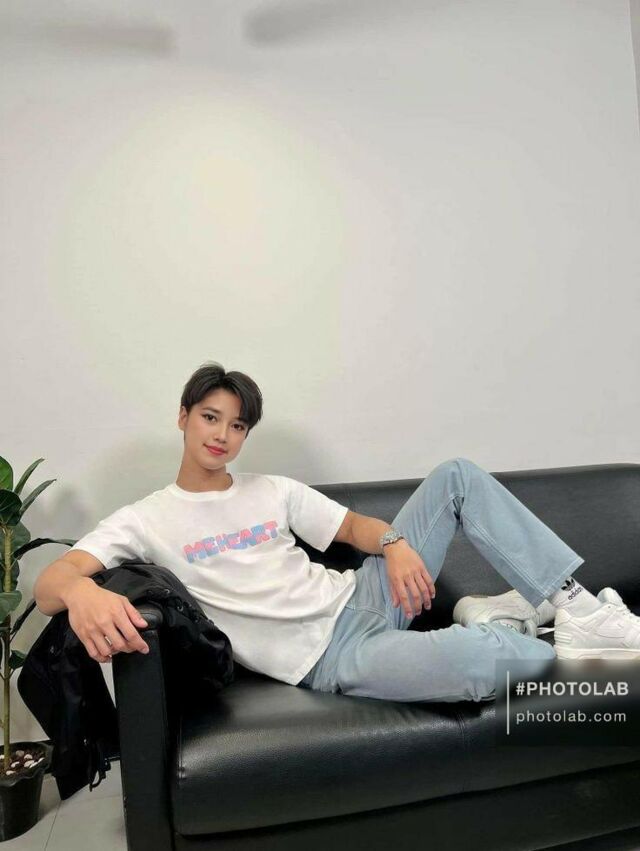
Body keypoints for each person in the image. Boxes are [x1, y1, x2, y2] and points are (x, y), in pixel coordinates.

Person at [33, 362, 640, 704]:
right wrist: (83, 592)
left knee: (456, 476)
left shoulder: (273, 490)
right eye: (210, 418)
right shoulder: (145, 518)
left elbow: (355, 527)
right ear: (184, 418)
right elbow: (50, 583)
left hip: (367, 595)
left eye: (237, 425)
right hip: (332, 657)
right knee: (493, 663)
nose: (221, 435)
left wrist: (394, 546)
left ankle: (575, 606)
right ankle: (505, 622)